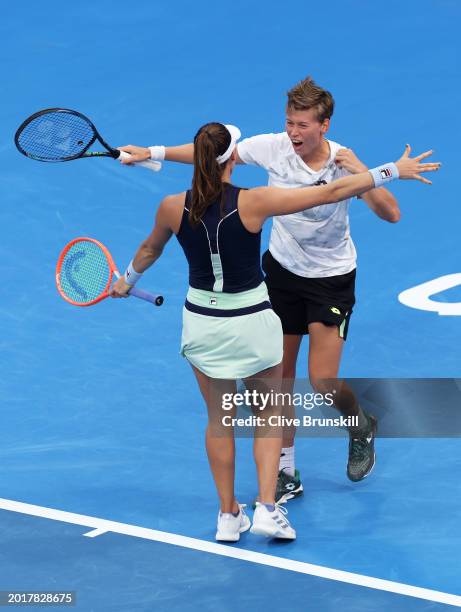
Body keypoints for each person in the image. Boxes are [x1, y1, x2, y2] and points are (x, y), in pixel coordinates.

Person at [110, 121, 439, 541]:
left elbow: (148, 250)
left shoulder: (171, 207)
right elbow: (330, 192)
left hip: (201, 327)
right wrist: (390, 169)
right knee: (270, 412)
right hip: (251, 323)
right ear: (232, 159)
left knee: (219, 421)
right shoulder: (256, 202)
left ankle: (228, 516)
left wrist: (127, 281)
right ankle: (268, 507)